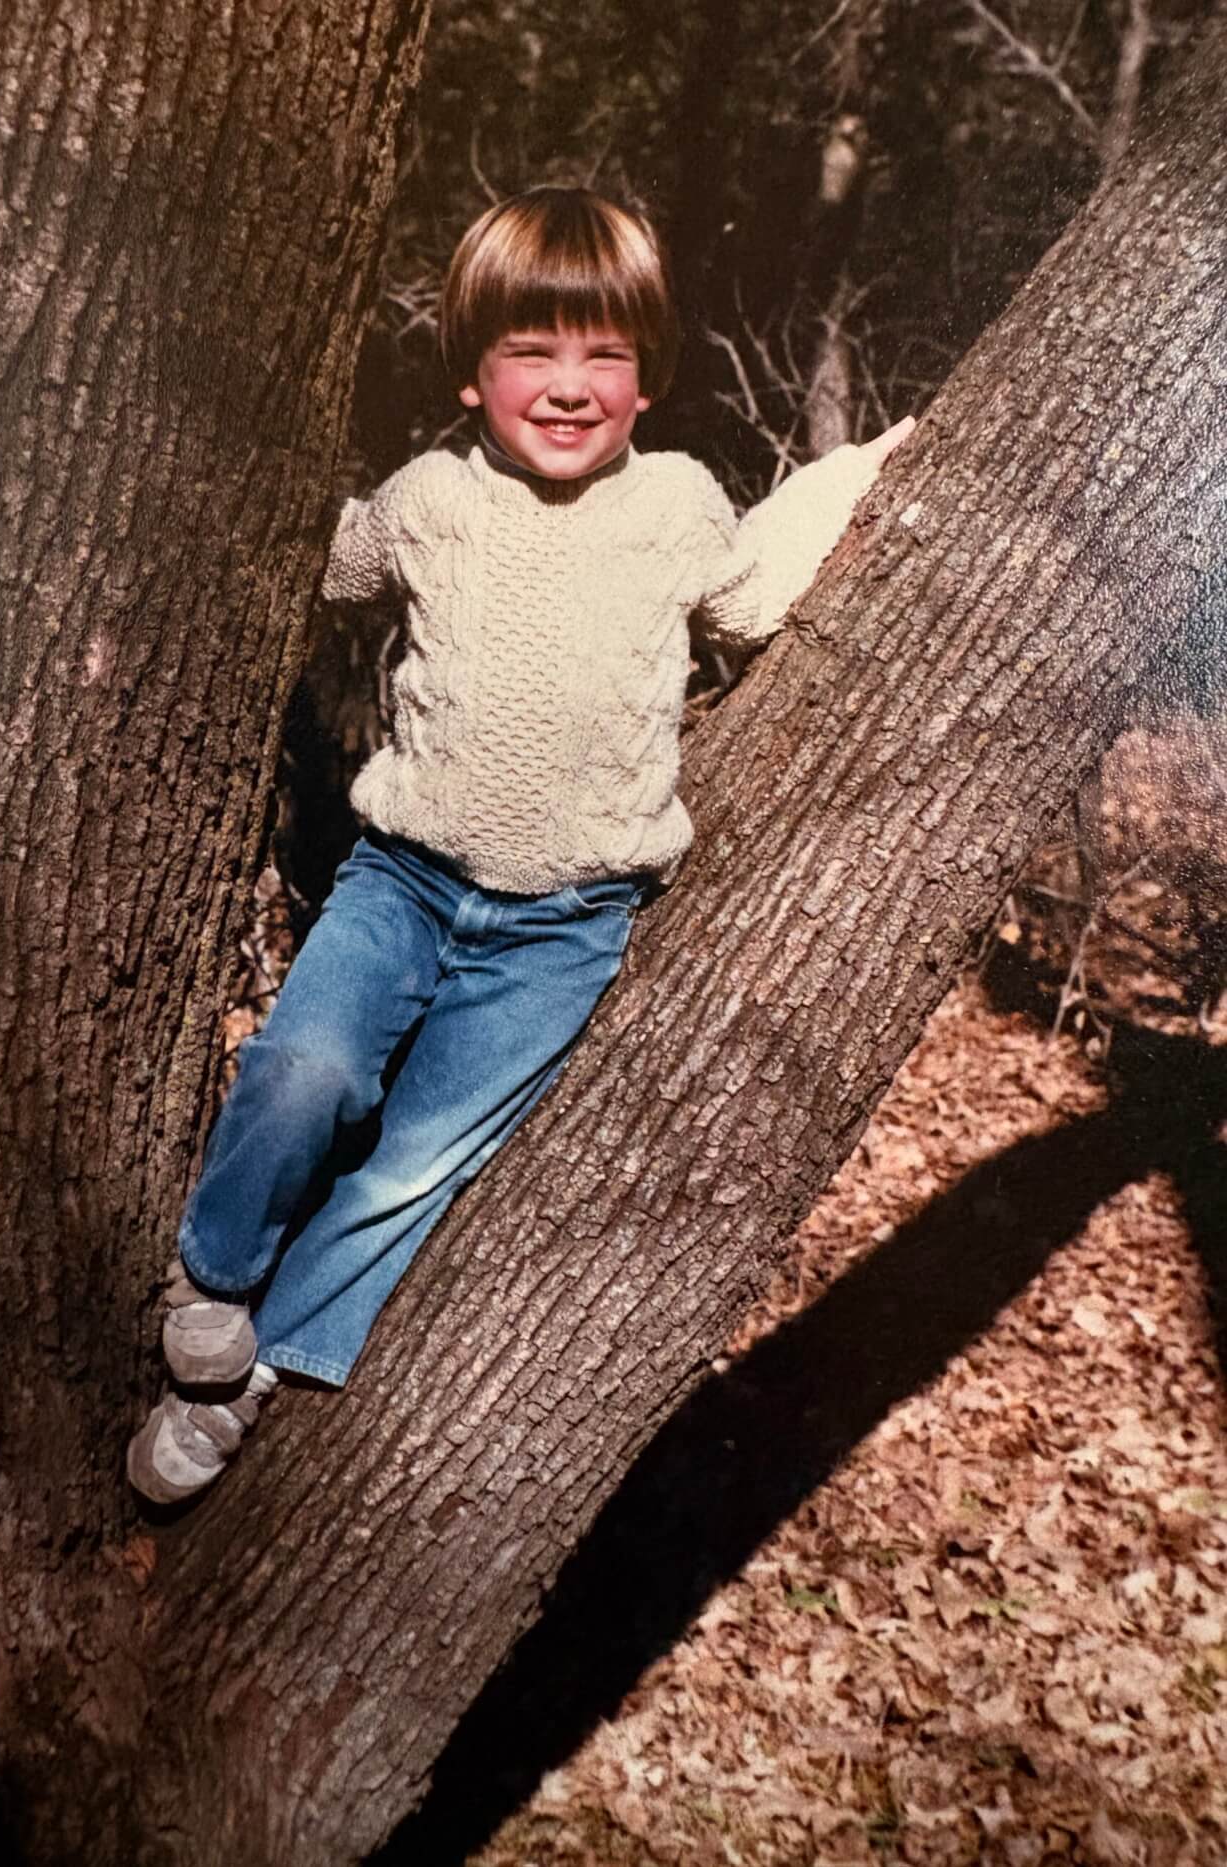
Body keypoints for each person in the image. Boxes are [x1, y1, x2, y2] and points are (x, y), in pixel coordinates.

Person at [127, 185, 912, 1504]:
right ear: (473, 373)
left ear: (648, 378)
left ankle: (254, 1380)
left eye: (602, 355)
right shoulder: (431, 499)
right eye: (530, 353)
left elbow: (756, 592)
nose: (567, 386)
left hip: (562, 933)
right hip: (404, 883)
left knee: (420, 1163)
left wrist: (859, 472)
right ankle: (213, 1278)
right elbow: (313, 561)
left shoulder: (673, 502)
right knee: (307, 1069)